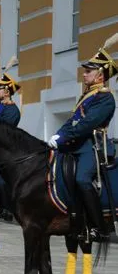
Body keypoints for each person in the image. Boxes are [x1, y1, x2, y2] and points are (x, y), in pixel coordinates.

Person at [48, 41, 118, 241]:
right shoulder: (87, 96)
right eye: (85, 71)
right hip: (77, 144)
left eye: (89, 71)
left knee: (82, 178)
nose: (84, 74)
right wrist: (58, 136)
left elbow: (87, 124)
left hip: (92, 146)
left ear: (100, 75)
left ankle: (100, 227)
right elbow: (72, 121)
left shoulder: (105, 98)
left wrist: (64, 138)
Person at [0, 72, 21, 221]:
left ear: (7, 92)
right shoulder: (0, 107)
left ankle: (7, 207)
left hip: (5, 149)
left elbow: (3, 132)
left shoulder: (12, 110)